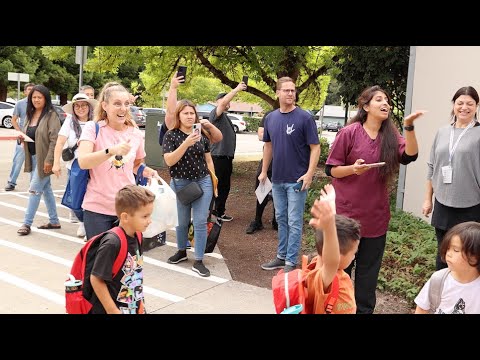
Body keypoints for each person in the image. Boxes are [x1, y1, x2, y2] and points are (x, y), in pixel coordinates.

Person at [325, 85, 425, 314]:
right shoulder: (349, 133)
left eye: (387, 100)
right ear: (366, 106)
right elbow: (331, 170)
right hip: (346, 218)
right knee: (341, 273)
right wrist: (353, 169)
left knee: (368, 279)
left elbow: (410, 155)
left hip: (375, 220)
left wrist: (409, 126)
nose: (385, 103)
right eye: (379, 99)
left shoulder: (391, 137)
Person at [77, 83, 158, 240]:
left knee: (126, 261)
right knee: (101, 261)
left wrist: (146, 171)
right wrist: (110, 151)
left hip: (128, 208)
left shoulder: (135, 134)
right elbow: (83, 161)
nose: (123, 108)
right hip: (97, 208)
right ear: (105, 106)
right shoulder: (93, 128)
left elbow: (136, 165)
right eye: (117, 104)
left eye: (126, 104)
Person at [259, 77, 320, 273]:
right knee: (281, 219)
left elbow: (315, 148)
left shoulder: (305, 118)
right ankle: (281, 256)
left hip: (297, 180)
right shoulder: (271, 118)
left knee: (294, 221)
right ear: (277, 93)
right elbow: (268, 146)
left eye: (293, 91)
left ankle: (290, 262)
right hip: (277, 179)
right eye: (286, 90)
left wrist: (309, 174)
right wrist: (263, 172)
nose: (290, 94)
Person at [422, 86, 480, 271]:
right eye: (460, 103)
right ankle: (442, 294)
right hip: (443, 204)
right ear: (454, 105)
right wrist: (427, 199)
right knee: (444, 253)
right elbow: (432, 166)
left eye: (469, 103)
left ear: (477, 106)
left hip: (471, 205)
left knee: (469, 255)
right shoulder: (442, 132)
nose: (464, 107)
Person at [163, 98, 215, 277]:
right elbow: (169, 160)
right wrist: (186, 143)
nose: (189, 116)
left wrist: (214, 180)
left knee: (200, 221)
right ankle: (181, 251)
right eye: (185, 113)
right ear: (178, 115)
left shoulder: (202, 135)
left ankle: (199, 260)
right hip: (180, 183)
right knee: (181, 222)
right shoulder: (171, 135)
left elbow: (208, 159)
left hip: (202, 181)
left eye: (192, 113)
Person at [89, 185, 155, 314]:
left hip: (132, 305)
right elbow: (96, 279)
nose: (149, 221)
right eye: (145, 216)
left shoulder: (138, 235)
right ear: (125, 217)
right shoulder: (112, 243)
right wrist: (112, 310)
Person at [307, 184, 361, 314]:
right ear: (338, 256)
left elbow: (330, 242)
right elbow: (331, 259)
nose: (354, 256)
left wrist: (331, 212)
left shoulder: (334, 271)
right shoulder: (324, 276)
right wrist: (329, 225)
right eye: (353, 253)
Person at [16, 85, 61, 236]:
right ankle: (54, 221)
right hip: (33, 157)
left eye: (39, 97)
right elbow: (29, 133)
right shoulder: (30, 114)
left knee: (35, 190)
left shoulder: (51, 115)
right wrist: (22, 136)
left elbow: (55, 140)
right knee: (46, 189)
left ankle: (26, 223)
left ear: (46, 98)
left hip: (45, 159)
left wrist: (50, 160)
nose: (36, 100)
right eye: (34, 97)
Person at [52, 93, 98, 238]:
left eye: (84, 105)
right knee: (76, 198)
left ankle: (91, 228)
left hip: (95, 164)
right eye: (77, 106)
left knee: (94, 196)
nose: (80, 108)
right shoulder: (69, 122)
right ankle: (83, 222)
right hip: (76, 165)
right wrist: (55, 164)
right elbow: (59, 143)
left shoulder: (97, 122)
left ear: (89, 106)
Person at [414, 221, 480, 314]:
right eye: (448, 248)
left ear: (475, 257)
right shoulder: (439, 279)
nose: (448, 254)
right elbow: (421, 309)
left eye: (456, 250)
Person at [209, 81, 247, 221]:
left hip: (226, 158)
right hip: (218, 157)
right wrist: (236, 89)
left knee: (224, 186)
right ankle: (212, 213)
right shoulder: (215, 114)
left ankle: (219, 212)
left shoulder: (225, 117)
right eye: (224, 99)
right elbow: (223, 103)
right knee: (217, 186)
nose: (227, 102)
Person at [246, 110, 277, 234]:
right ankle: (257, 221)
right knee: (262, 189)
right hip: (268, 160)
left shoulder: (296, 114)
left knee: (279, 192)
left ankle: (276, 220)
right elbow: (261, 135)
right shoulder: (270, 115)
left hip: (286, 162)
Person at [4, 82, 35, 191]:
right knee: (18, 161)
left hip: (35, 138)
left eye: (33, 89)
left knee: (34, 162)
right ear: (25, 92)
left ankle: (33, 184)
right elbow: (13, 120)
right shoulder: (20, 104)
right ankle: (11, 182)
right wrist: (20, 133)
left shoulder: (39, 103)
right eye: (29, 89)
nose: (31, 91)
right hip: (22, 138)